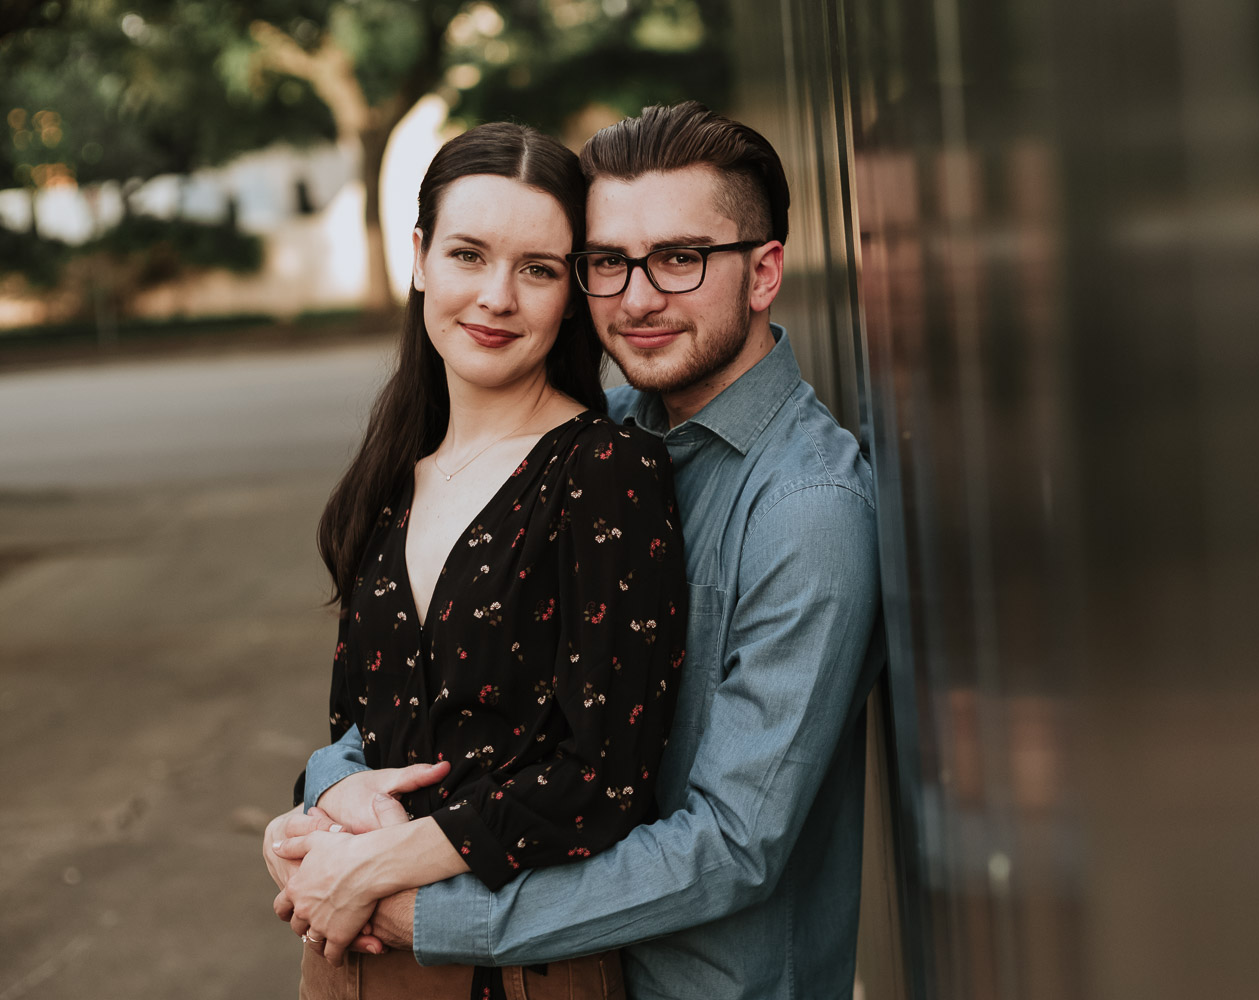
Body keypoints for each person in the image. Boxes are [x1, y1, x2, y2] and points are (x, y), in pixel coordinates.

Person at [283, 102, 883, 1000]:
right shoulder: (596, 436)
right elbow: (467, 696)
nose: (638, 298)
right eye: (610, 262)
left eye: (682, 258)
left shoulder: (807, 508)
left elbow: (733, 844)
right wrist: (320, 801)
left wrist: (422, 913)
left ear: (763, 274)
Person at [261, 120, 688, 999]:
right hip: (345, 954)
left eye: (536, 269)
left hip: (516, 967)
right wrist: (312, 811)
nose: (497, 297)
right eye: (468, 255)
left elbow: (602, 776)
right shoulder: (389, 479)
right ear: (419, 257)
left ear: (570, 294)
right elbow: (363, 731)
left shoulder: (603, 471)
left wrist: (380, 861)